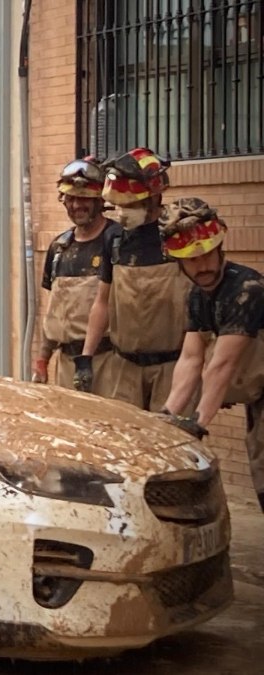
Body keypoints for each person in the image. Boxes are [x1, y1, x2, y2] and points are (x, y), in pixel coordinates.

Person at [159, 198, 264, 510]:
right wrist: (166, 419)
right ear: (178, 261)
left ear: (219, 248)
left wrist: (198, 424)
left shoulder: (246, 288)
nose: (201, 265)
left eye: (206, 255)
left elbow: (222, 365)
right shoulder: (198, 295)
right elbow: (191, 359)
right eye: (191, 260)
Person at [76, 147, 188, 410]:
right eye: (118, 206)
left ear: (153, 197)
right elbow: (102, 302)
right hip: (124, 368)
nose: (122, 212)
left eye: (129, 205)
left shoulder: (176, 235)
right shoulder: (115, 240)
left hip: (171, 368)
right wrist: (86, 357)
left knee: (170, 442)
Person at [33, 158, 122, 391]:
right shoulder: (59, 248)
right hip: (66, 365)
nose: (76, 205)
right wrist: (43, 358)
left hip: (107, 362)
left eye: (83, 198)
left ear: (99, 200)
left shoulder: (117, 241)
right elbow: (53, 311)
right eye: (71, 198)